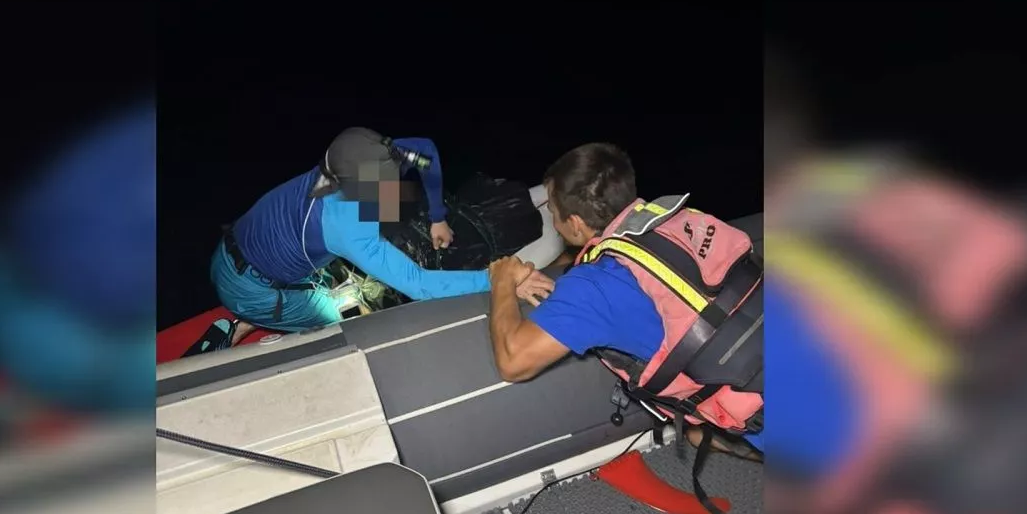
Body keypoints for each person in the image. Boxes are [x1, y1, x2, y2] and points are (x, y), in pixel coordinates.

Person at [485, 142, 764, 458]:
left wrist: (502, 281)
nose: (553, 220)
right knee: (702, 433)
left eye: (552, 211)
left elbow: (513, 362)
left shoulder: (593, 286)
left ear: (574, 223)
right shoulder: (680, 222)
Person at [198, 127, 554, 351]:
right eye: (379, 187)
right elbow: (419, 285)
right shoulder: (345, 227)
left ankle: (255, 316)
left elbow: (427, 153)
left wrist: (437, 217)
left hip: (236, 247)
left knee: (369, 244)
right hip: (250, 289)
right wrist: (498, 279)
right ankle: (250, 324)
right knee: (346, 317)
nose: (391, 187)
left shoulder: (372, 156)